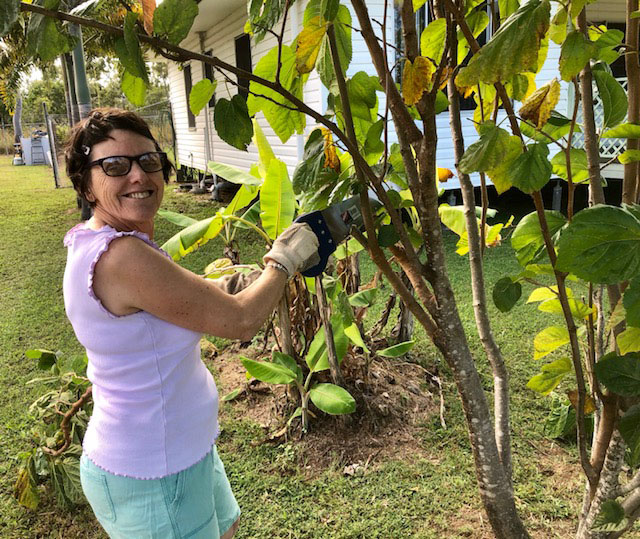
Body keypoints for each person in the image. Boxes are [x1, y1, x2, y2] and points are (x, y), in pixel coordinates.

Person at [62, 108, 320, 539]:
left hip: (180, 454)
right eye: (115, 165)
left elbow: (164, 300)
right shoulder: (122, 256)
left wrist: (230, 282)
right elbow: (242, 321)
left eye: (149, 160)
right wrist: (284, 259)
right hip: (154, 474)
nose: (139, 175)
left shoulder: (100, 239)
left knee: (227, 527)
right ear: (86, 184)